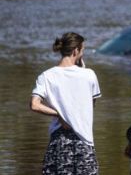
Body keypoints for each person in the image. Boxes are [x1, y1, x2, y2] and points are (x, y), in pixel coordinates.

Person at [30, 32, 101, 174]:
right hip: (84, 142)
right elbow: (90, 105)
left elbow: (34, 105)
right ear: (76, 51)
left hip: (58, 142)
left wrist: (59, 114)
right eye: (83, 50)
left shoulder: (46, 76)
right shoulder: (89, 75)